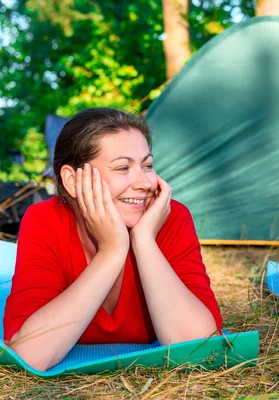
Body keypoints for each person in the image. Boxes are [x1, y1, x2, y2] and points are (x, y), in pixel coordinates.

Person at [3, 108, 223, 371]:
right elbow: (30, 353)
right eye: (122, 168)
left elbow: (200, 348)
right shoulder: (45, 220)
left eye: (148, 165)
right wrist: (111, 252)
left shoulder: (171, 218)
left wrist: (144, 241)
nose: (144, 182)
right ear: (72, 181)